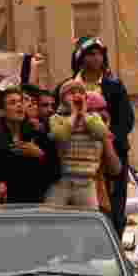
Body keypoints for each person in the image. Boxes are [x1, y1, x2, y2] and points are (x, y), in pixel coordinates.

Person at [68, 37, 136, 236]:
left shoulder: (114, 86)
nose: (96, 58)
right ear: (80, 57)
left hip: (110, 156)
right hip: (78, 158)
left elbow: (126, 121)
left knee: (114, 209)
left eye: (99, 53)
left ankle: (114, 248)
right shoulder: (69, 86)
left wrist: (107, 138)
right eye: (91, 53)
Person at [0, 85, 60, 204]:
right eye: (12, 102)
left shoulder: (37, 134)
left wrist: (40, 154)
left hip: (32, 203)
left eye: (21, 101)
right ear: (1, 111)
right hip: (2, 205)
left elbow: (56, 172)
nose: (19, 105)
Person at [45, 79, 122, 209]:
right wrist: (74, 115)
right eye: (71, 93)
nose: (76, 95)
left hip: (87, 182)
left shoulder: (93, 118)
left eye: (80, 92)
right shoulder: (56, 118)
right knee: (50, 214)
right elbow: (61, 135)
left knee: (89, 218)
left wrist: (84, 114)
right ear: (62, 99)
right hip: (63, 180)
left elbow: (101, 133)